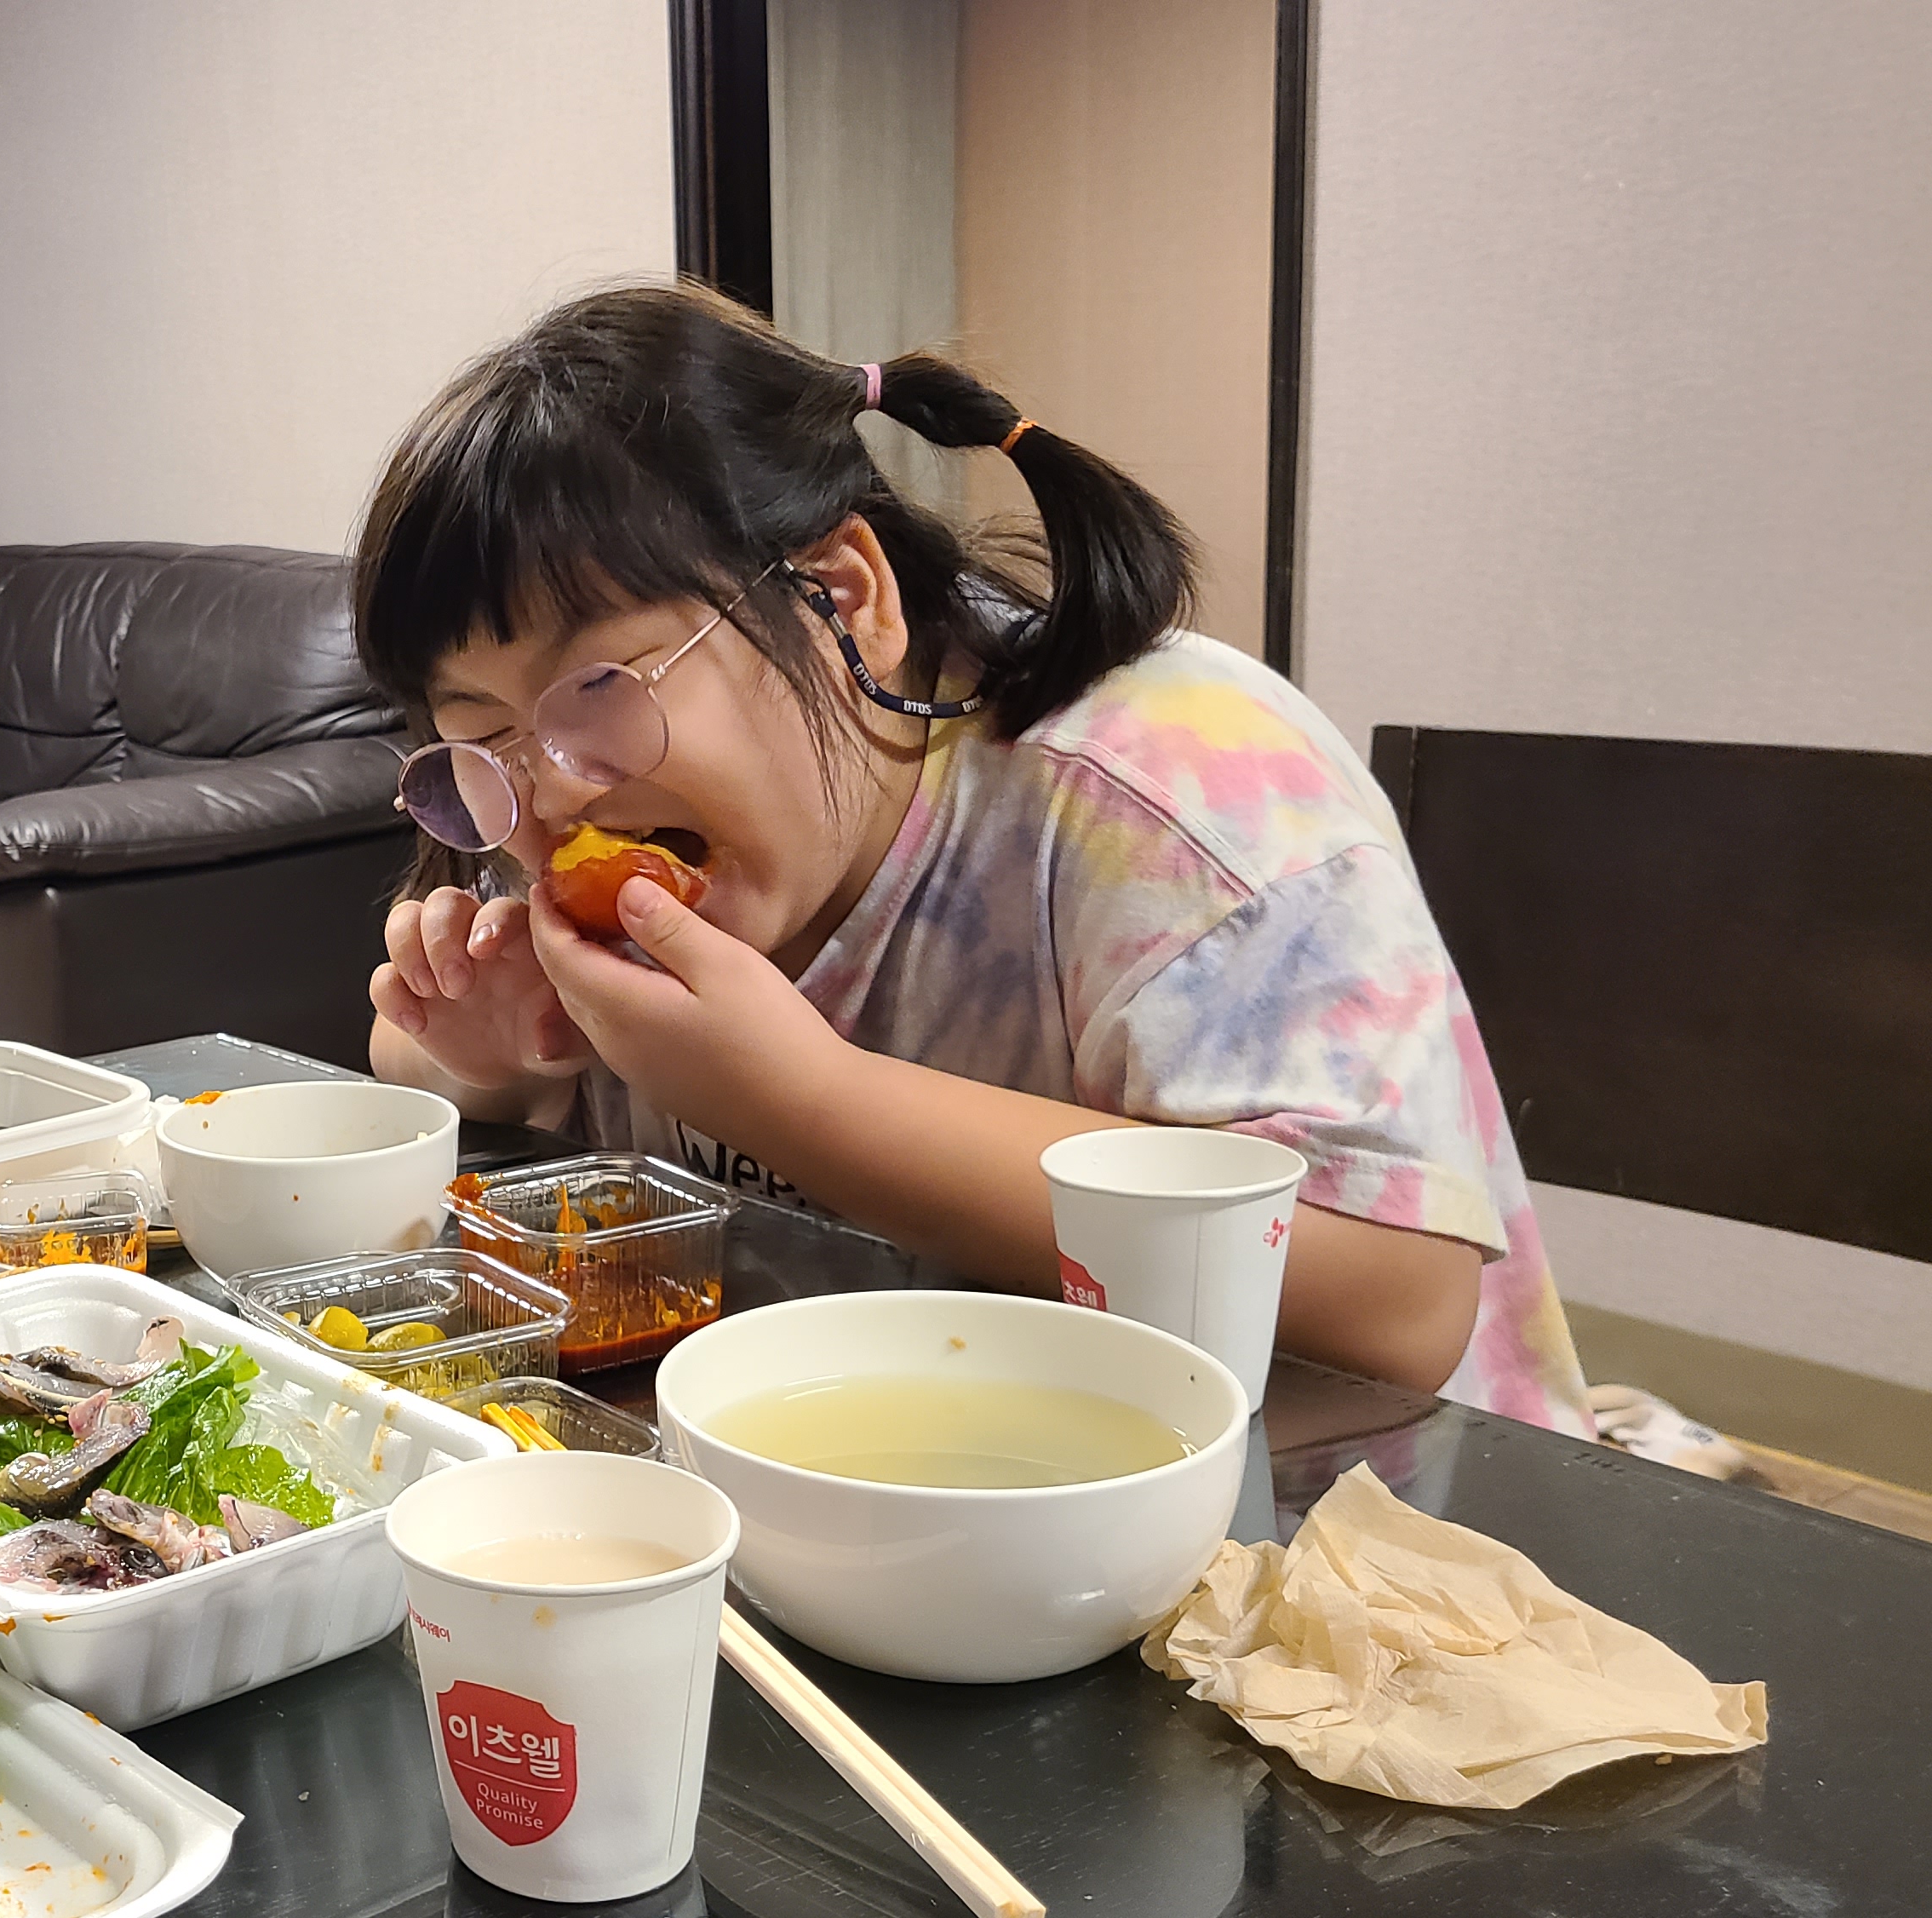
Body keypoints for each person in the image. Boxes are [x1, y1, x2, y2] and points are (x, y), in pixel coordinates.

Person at [357, 284, 1591, 1433]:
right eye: (483, 735)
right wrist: (489, 1058)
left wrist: (800, 1101)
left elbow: (1394, 1302)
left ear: (843, 598)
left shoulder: (1171, 791)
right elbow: (430, 1061)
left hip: (1344, 1529)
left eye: (601, 686)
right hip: (886, 1466)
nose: (555, 791)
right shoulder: (561, 802)